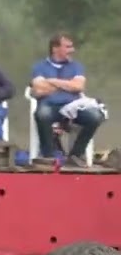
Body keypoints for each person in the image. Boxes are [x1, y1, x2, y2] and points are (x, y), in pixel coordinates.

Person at [29, 33, 106, 166]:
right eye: (68, 47)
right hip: (50, 105)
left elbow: (79, 86)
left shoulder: (76, 66)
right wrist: (68, 85)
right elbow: (39, 90)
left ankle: (75, 155)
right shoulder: (39, 66)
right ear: (55, 48)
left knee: (95, 116)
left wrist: (52, 81)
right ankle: (49, 157)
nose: (72, 50)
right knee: (42, 114)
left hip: (73, 106)